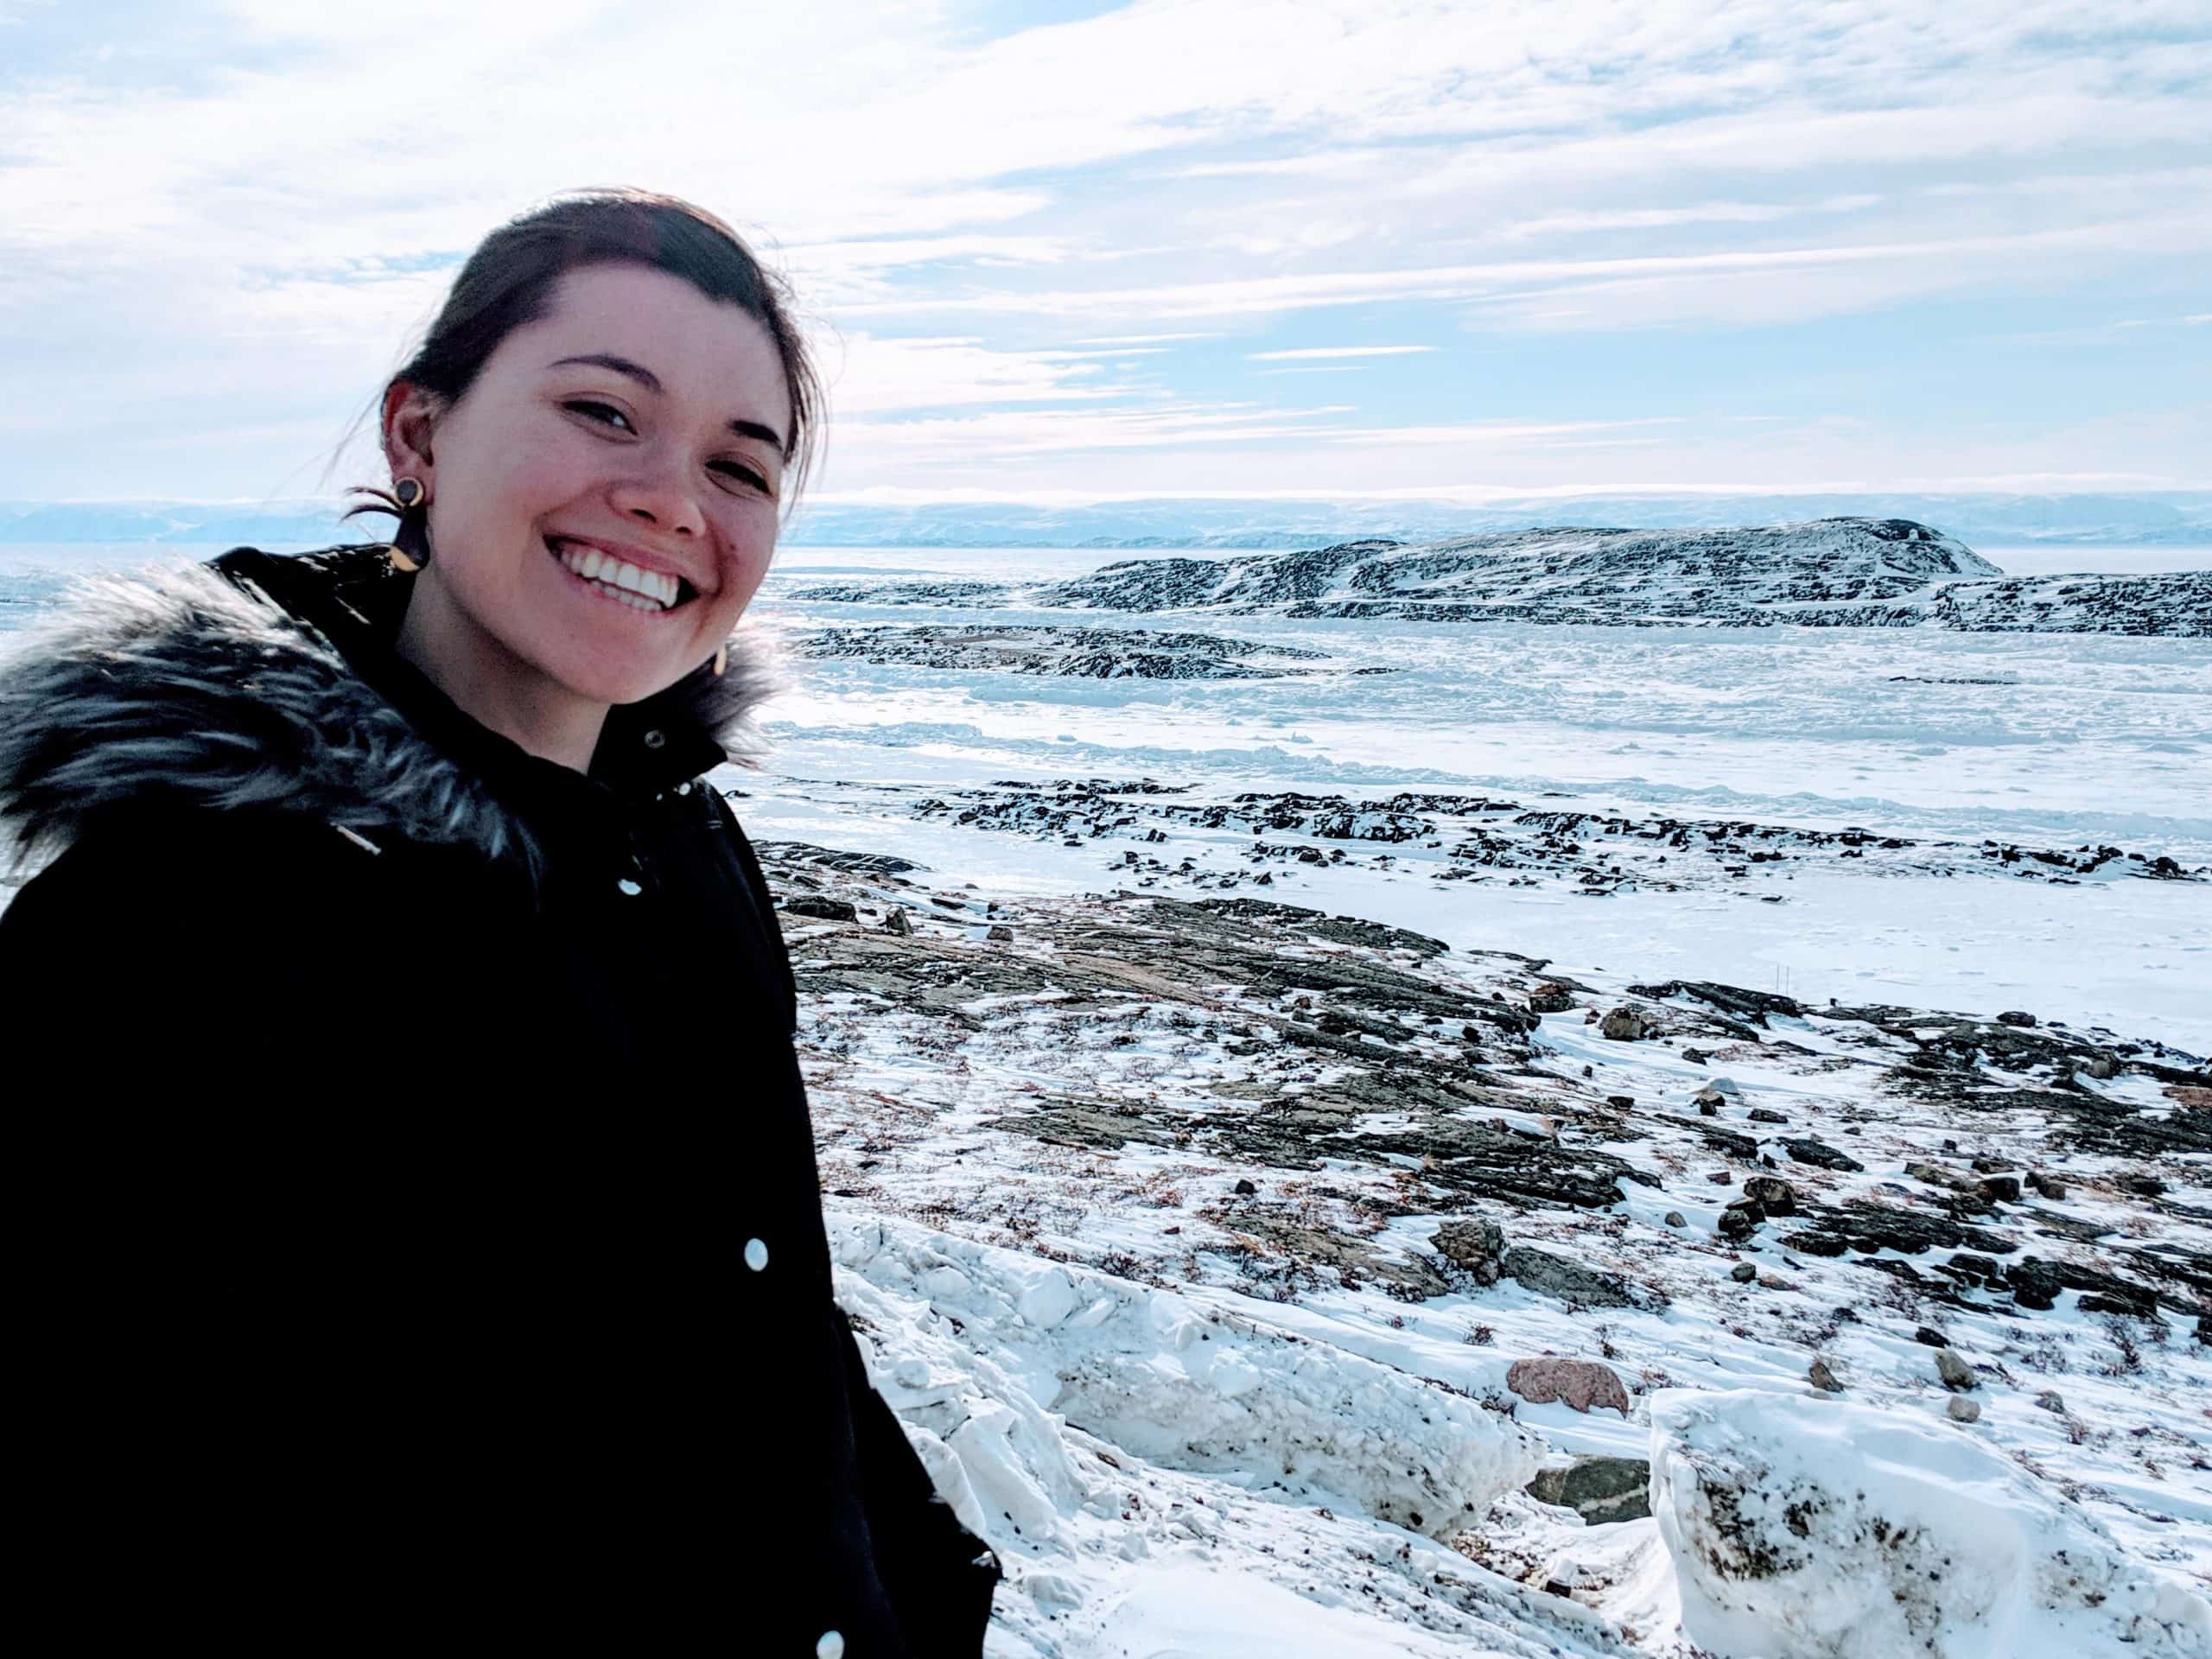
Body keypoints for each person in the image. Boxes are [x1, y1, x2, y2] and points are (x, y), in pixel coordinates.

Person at [0, 189, 1001, 1656]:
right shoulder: (183, 910)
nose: (674, 498)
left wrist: (916, 1576)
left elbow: (754, 1294)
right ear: (419, 435)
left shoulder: (679, 832)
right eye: (606, 412)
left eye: (743, 463)